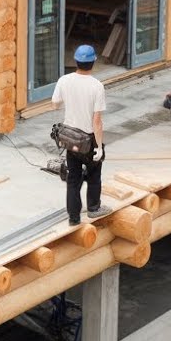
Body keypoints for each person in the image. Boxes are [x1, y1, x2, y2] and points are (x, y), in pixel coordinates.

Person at [51, 44, 111, 226]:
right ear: (93, 62)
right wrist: (99, 147)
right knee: (94, 174)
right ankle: (93, 208)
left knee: (73, 179)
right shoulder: (96, 86)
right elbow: (97, 122)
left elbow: (55, 104)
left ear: (75, 61)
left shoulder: (64, 80)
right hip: (88, 139)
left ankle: (74, 218)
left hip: (70, 137)